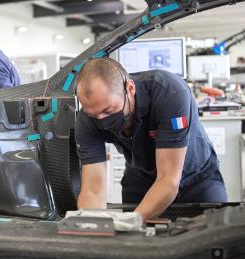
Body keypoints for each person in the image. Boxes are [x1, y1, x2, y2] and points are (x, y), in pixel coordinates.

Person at [74, 58, 227, 221]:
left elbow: (168, 180)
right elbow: (93, 190)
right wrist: (91, 225)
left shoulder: (169, 93)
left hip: (198, 179)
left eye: (108, 110)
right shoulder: (86, 121)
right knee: (135, 241)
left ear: (130, 88)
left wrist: (131, 221)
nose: (102, 121)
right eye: (93, 115)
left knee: (210, 237)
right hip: (140, 178)